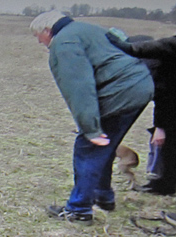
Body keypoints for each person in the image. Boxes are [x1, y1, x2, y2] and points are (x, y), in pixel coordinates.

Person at [29, 11, 155, 225]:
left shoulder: (64, 43)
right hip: (139, 86)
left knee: (87, 149)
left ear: (48, 31)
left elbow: (79, 87)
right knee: (104, 148)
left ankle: (78, 210)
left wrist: (90, 128)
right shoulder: (88, 29)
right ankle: (103, 197)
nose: (38, 41)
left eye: (37, 35)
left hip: (121, 92)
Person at [106, 32, 176, 195]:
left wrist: (161, 127)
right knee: (167, 145)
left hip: (170, 106)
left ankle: (165, 185)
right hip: (170, 106)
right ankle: (164, 184)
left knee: (168, 144)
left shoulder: (155, 64)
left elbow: (165, 95)